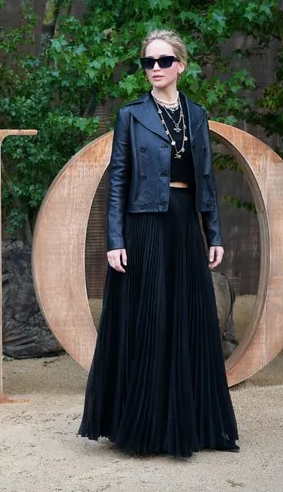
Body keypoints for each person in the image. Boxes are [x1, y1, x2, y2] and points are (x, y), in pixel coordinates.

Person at [78, 29, 239, 457]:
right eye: (147, 62)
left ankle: (197, 425)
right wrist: (114, 239)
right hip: (144, 224)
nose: (154, 69)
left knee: (189, 317)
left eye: (163, 61)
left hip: (185, 222)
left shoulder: (197, 114)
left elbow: (205, 177)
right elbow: (118, 180)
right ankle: (145, 429)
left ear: (180, 66)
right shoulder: (130, 115)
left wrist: (214, 233)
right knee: (149, 318)